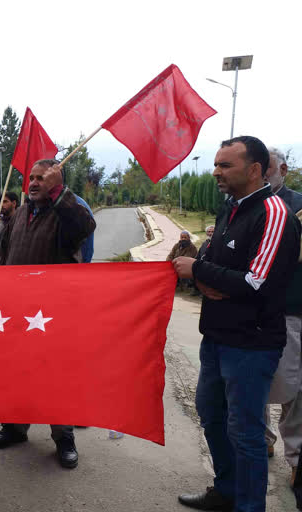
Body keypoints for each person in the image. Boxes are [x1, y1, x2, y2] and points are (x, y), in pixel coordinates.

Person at [172, 136, 301, 512]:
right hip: (215, 337)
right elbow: (221, 266)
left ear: (255, 170)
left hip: (251, 344)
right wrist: (206, 275)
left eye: (225, 165)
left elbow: (256, 282)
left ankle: (248, 506)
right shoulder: (229, 209)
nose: (216, 172)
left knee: (246, 434)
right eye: (216, 164)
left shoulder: (273, 213)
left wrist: (198, 269)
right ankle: (226, 491)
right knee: (211, 414)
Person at [0, 158, 96, 470]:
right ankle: (15, 428)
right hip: (18, 312)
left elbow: (85, 226)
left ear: (53, 181)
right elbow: (5, 255)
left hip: (52, 314)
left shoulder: (66, 212)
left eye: (40, 178)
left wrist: (59, 192)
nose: (33, 183)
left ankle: (64, 438)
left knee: (55, 377)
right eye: (30, 178)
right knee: (17, 372)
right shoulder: (21, 213)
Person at [263, 146, 302, 485]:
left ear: (284, 170)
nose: (262, 173)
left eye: (268, 167)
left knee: (292, 389)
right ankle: (264, 441)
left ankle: (297, 460)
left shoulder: (298, 206)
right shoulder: (242, 205)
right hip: (250, 313)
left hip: (290, 310)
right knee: (252, 383)